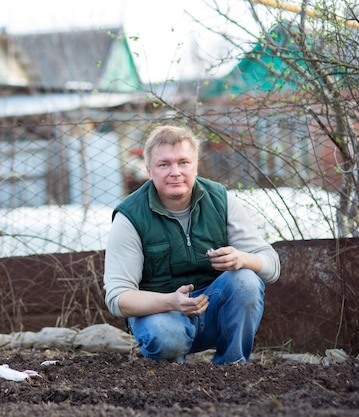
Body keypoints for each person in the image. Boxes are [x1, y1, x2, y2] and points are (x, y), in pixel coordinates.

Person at [103, 125, 280, 365]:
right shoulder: (130, 216)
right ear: (149, 170)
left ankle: (232, 367)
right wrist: (170, 301)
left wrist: (242, 258)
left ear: (195, 165)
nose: (175, 172)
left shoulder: (220, 200)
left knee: (246, 279)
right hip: (162, 314)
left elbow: (271, 264)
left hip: (211, 307)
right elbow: (117, 298)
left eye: (183, 162)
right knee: (166, 336)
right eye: (164, 164)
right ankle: (170, 375)